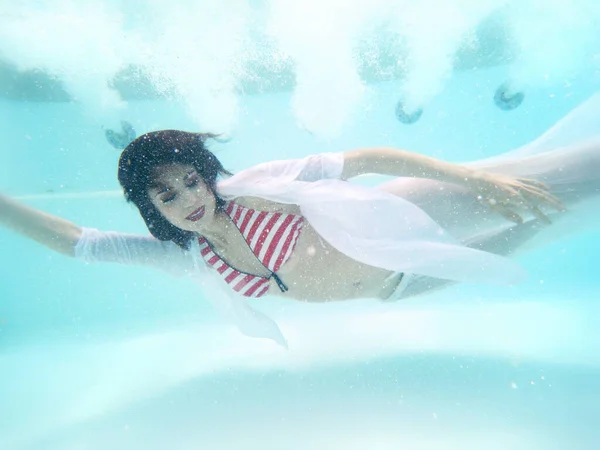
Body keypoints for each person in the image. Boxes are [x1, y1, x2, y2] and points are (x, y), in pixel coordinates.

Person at [2, 92, 600, 346]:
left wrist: (471, 179)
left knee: (566, 176)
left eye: (191, 179)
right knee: (550, 218)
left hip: (410, 217)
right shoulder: (187, 255)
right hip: (403, 285)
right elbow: (82, 243)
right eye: (166, 195)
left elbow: (366, 160)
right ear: (150, 209)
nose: (189, 198)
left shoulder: (258, 190)